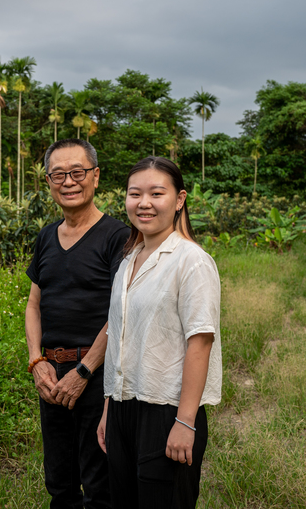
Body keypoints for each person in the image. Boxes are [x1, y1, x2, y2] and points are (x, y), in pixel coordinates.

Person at [96, 156, 222, 509]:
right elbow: (119, 342)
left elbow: (200, 342)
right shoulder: (127, 260)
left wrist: (185, 421)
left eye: (156, 193)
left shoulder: (191, 261)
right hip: (123, 408)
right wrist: (109, 410)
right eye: (135, 194)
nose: (144, 203)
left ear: (179, 200)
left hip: (167, 410)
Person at [25, 138, 129, 509]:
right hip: (51, 374)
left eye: (78, 172)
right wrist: (37, 362)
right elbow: (34, 304)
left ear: (95, 177)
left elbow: (121, 312)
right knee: (59, 482)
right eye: (58, 174)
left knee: (99, 484)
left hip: (98, 375)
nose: (68, 181)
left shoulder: (118, 236)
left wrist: (84, 371)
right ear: (48, 180)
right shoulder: (46, 236)